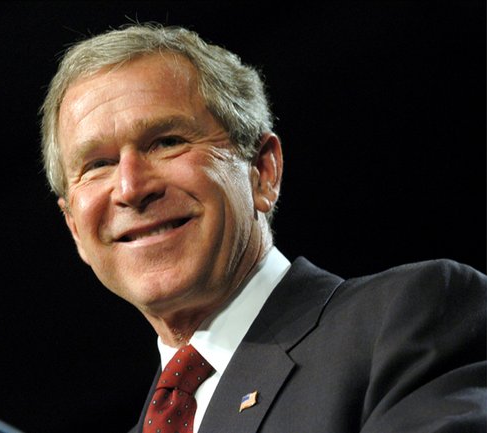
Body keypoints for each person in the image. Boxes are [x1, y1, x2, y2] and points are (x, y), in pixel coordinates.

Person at [40, 23, 486, 433]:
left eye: (167, 142)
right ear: (75, 228)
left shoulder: (405, 322)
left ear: (262, 171)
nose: (131, 187)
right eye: (97, 165)